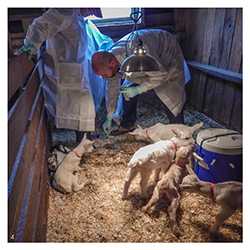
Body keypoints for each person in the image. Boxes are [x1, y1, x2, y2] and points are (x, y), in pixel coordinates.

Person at [16, 8, 112, 142]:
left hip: (75, 69)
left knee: (83, 107)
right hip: (65, 69)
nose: (90, 13)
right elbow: (41, 24)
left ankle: (86, 139)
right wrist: (30, 45)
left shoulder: (78, 16)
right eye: (91, 9)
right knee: (79, 107)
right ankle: (84, 141)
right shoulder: (66, 10)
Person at [91, 28, 190, 136]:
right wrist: (109, 116)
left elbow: (160, 76)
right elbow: (112, 87)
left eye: (104, 74)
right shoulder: (112, 61)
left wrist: (138, 89)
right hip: (141, 64)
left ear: (112, 63)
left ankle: (180, 131)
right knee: (126, 91)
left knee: (171, 98)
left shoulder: (141, 51)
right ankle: (128, 124)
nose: (104, 78)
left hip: (166, 56)